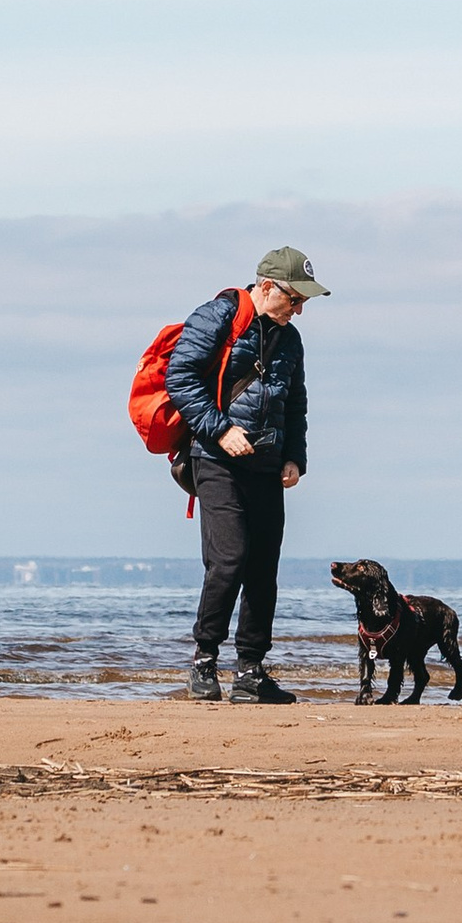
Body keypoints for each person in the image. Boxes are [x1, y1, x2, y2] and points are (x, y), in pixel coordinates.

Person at [168, 245, 328, 703]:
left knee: (263, 567)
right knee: (230, 559)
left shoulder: (290, 339)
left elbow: (294, 402)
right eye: (293, 299)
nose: (298, 310)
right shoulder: (218, 316)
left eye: (304, 303)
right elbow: (180, 377)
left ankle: (252, 673)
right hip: (215, 459)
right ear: (265, 286)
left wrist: (295, 456)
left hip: (267, 464)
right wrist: (220, 431)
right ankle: (203, 661)